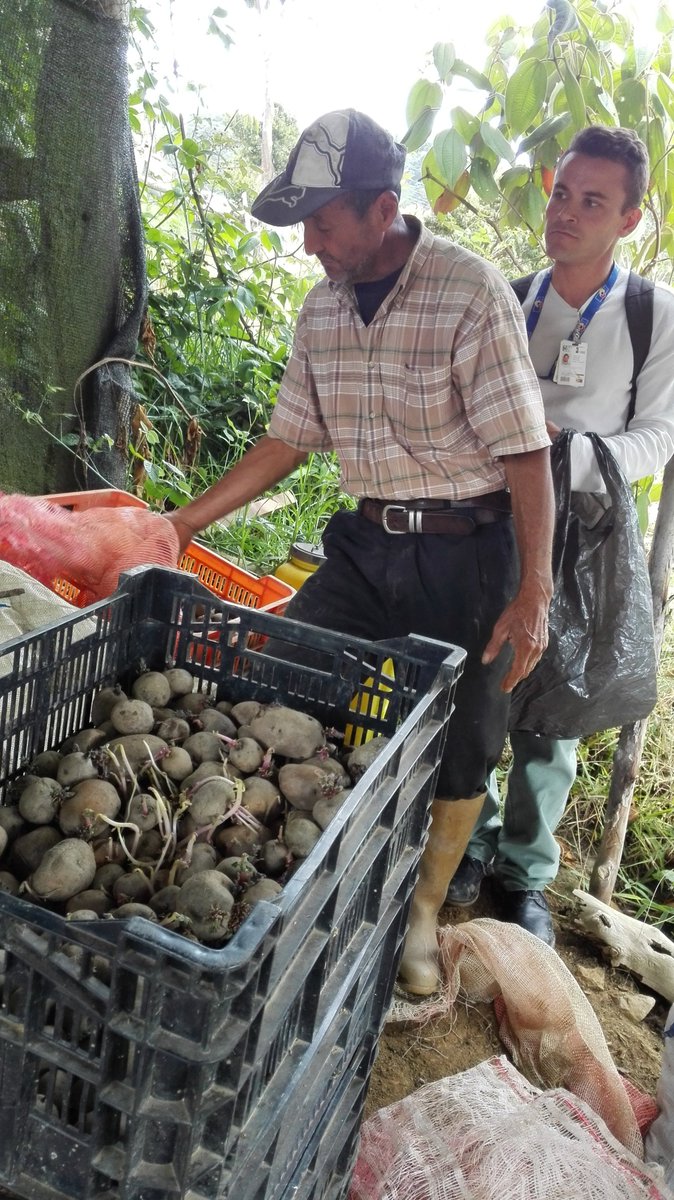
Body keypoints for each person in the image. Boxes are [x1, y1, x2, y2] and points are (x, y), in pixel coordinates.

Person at [166, 108, 555, 995]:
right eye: (303, 224)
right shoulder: (321, 309)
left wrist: (533, 588)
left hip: (470, 551)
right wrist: (186, 522)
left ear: (383, 210)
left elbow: (527, 452)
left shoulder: (468, 291)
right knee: (277, 662)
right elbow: (288, 440)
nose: (309, 243)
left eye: (323, 222)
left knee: (466, 737)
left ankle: (419, 915)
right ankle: (277, 853)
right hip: (366, 545)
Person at [446, 125, 674, 945]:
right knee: (483, 688)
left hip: (587, 531)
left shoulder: (651, 316)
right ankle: (466, 845)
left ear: (631, 219)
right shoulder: (508, 301)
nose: (567, 214)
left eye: (593, 202)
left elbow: (655, 440)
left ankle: (524, 876)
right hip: (494, 521)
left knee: (557, 709)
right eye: (560, 194)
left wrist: (554, 453)